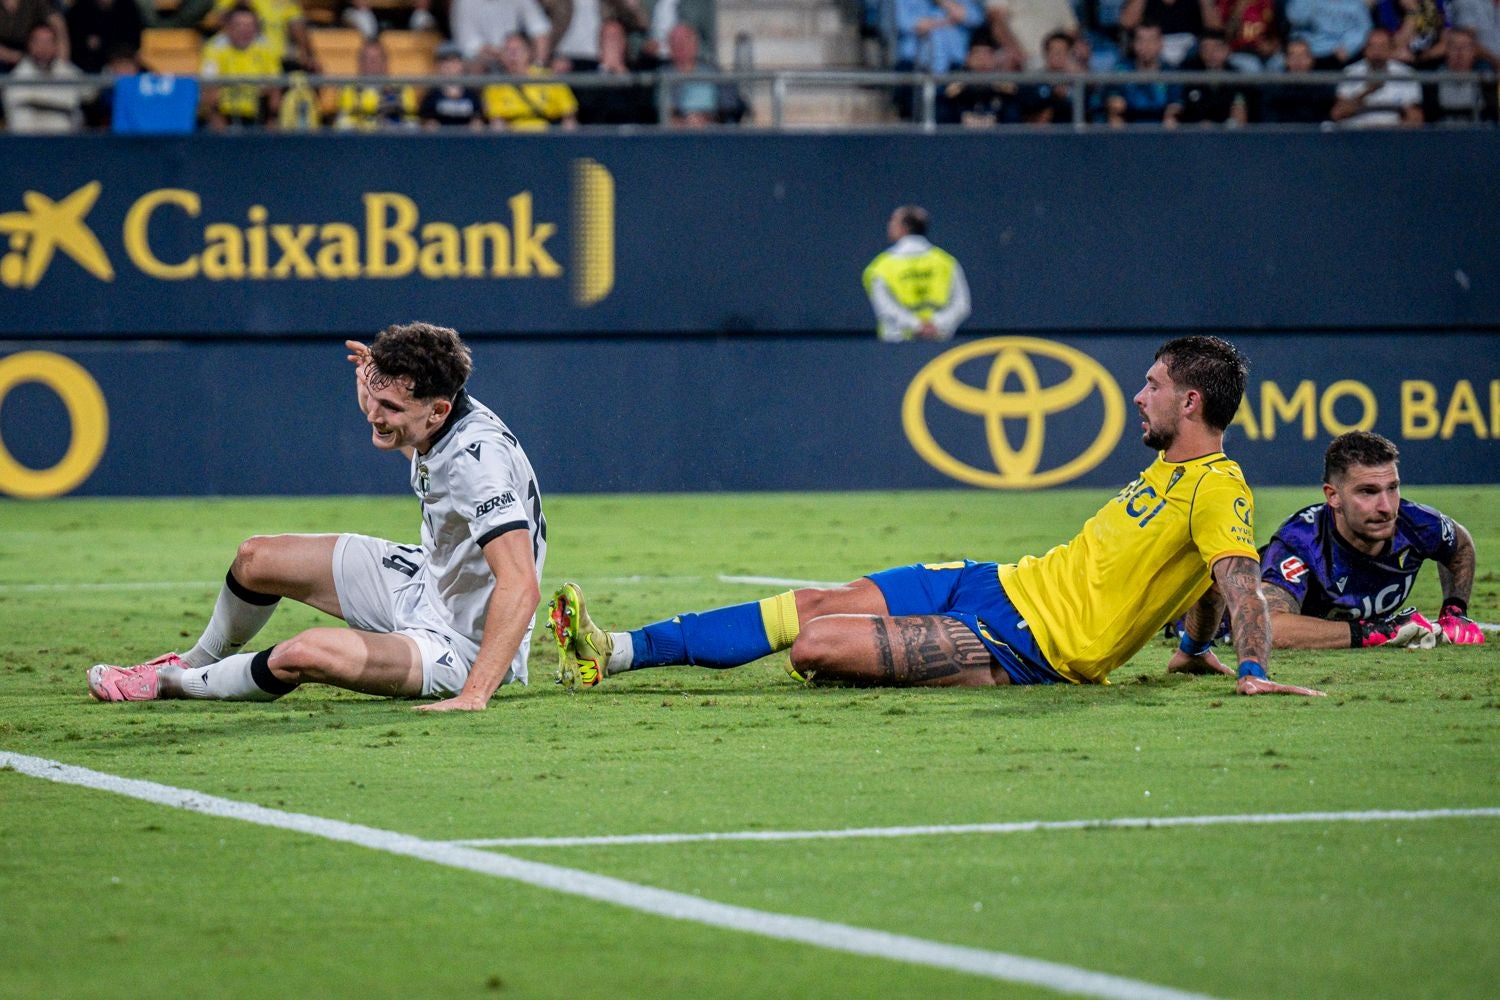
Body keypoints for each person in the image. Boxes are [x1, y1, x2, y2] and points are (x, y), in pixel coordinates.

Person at [550, 336, 1323, 698]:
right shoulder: (1171, 470)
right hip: (996, 584)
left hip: (1026, 645)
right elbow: (1199, 574)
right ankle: (612, 652)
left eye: (1151, 384)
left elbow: (1237, 576)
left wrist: (1252, 669)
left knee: (813, 646)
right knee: (815, 601)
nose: (1136, 394)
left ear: (1190, 401)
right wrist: (1190, 648)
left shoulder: (1220, 486)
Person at [87, 323, 548, 712]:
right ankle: (191, 660)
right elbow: (414, 432)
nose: (374, 414)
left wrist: (474, 693)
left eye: (390, 408)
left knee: (301, 652)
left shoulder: (476, 464)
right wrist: (380, 390)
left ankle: (171, 684)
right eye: (374, 397)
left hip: (463, 643)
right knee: (256, 558)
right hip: (426, 582)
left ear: (439, 410)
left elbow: (521, 584)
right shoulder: (441, 412)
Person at [1259, 431, 1483, 650]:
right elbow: (1269, 627)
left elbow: (1460, 545)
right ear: (1333, 496)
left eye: (1392, 488)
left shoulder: (1417, 524)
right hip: (1227, 631)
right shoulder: (1301, 541)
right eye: (1368, 491)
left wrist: (1455, 610)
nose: (1386, 507)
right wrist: (1373, 632)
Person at [862, 205, 972, 343]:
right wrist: (936, 325)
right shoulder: (947, 262)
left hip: (895, 349)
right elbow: (961, 305)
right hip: (939, 344)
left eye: (893, 221)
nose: (889, 225)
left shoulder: (880, 267)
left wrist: (917, 326)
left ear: (904, 227)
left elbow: (886, 308)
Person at [200, 4, 282, 129]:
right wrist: (217, 122)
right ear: (228, 27)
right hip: (224, 116)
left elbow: (275, 88)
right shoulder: (215, 48)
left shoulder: (265, 47)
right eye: (239, 25)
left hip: (257, 116)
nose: (245, 30)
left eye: (250, 26)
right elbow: (208, 90)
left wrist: (271, 121)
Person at [3, 22, 89, 132]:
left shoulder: (67, 71)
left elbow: (90, 93)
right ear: (30, 45)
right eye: (38, 42)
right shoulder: (16, 77)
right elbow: (17, 117)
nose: (43, 47)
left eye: (48, 42)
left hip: (65, 141)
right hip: (28, 142)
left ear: (55, 45)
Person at [483, 31, 578, 129]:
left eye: (517, 50)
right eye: (508, 50)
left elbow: (569, 115)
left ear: (529, 52)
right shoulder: (495, 86)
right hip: (513, 139)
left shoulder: (549, 78)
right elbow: (497, 124)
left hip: (548, 138)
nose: (512, 55)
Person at [1331, 25, 1424, 125]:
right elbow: (1337, 114)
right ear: (1365, 49)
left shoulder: (1405, 73)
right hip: (1358, 132)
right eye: (1372, 46)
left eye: (1382, 47)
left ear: (1390, 49)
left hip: (1392, 131)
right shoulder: (1351, 72)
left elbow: (1416, 118)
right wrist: (1368, 91)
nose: (1377, 52)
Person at [333, 37, 419, 130]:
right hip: (359, 141)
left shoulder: (402, 89)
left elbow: (411, 125)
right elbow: (344, 125)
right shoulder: (349, 89)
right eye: (368, 59)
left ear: (385, 62)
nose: (372, 63)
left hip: (392, 141)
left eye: (376, 59)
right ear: (360, 63)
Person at [1105, 22, 1183, 125]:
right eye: (1140, 40)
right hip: (1129, 130)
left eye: (1151, 40)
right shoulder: (1121, 70)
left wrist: (1171, 112)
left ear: (1160, 44)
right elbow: (1114, 101)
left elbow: (1175, 105)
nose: (1146, 45)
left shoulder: (1170, 72)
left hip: (1161, 131)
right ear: (1133, 44)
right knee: (1115, 117)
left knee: (1172, 120)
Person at [1422, 25, 1498, 121]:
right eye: (1454, 47)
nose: (1460, 54)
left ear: (1474, 52)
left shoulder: (1486, 83)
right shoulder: (1431, 84)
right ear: (1446, 51)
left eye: (1466, 47)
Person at [451, 0, 552, 67]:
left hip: (516, 58)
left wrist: (539, 64)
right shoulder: (463, 3)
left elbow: (540, 30)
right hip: (483, 62)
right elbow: (470, 45)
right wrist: (505, 55)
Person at [419, 41, 485, 129]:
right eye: (445, 61)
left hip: (468, 141)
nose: (449, 65)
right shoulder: (431, 96)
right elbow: (427, 123)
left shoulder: (472, 95)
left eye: (454, 60)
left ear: (462, 64)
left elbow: (479, 121)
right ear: (438, 65)